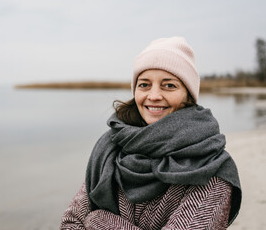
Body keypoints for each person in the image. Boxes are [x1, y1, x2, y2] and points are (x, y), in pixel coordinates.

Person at [60, 37, 242, 229]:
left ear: (188, 95)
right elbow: (70, 222)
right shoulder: (111, 148)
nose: (153, 96)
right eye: (144, 84)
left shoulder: (211, 168)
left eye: (169, 85)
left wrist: (98, 221)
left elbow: (87, 221)